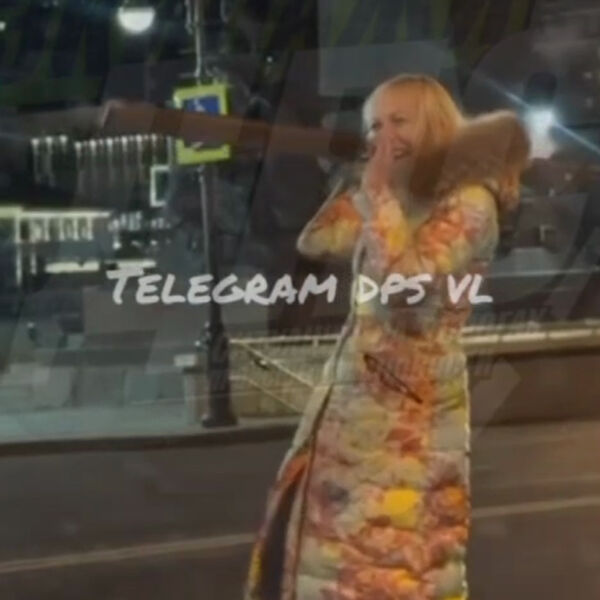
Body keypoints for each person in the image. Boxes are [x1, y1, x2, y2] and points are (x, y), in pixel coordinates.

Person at [243, 74, 530, 600]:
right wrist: (368, 182)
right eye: (374, 125)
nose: (383, 134)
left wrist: (381, 195)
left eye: (399, 121)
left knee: (391, 566)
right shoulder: (396, 199)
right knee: (322, 559)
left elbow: (406, 286)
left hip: (408, 420)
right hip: (351, 412)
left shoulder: (470, 200)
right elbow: (317, 239)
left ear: (435, 127)